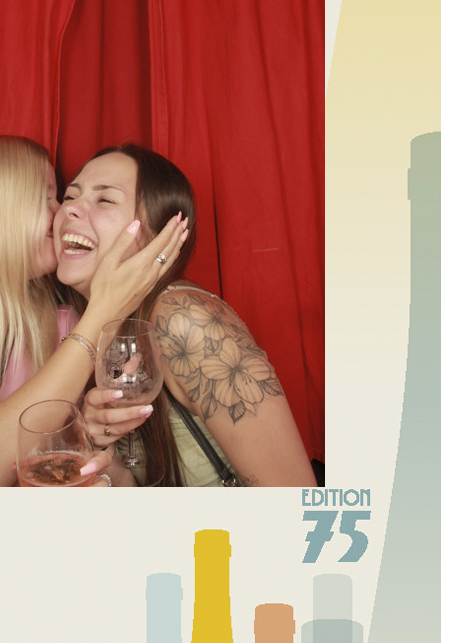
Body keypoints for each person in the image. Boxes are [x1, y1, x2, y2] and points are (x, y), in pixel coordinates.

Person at [0, 136, 188, 486]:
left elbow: (54, 473)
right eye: (46, 199)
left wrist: (86, 438)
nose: (64, 213)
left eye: (60, 198)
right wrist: (104, 309)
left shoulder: (65, 324)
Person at [55, 144, 317, 486]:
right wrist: (103, 457)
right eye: (69, 196)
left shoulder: (185, 319)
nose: (70, 209)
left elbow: (293, 496)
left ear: (162, 234)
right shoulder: (82, 326)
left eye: (105, 199)